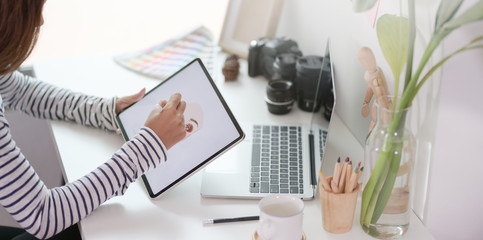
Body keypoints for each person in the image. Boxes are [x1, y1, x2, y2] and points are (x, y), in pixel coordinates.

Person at [0, 1, 187, 239]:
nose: (39, 21)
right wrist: (148, 146)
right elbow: (43, 215)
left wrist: (107, 110)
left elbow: (17, 90)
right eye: (34, 10)